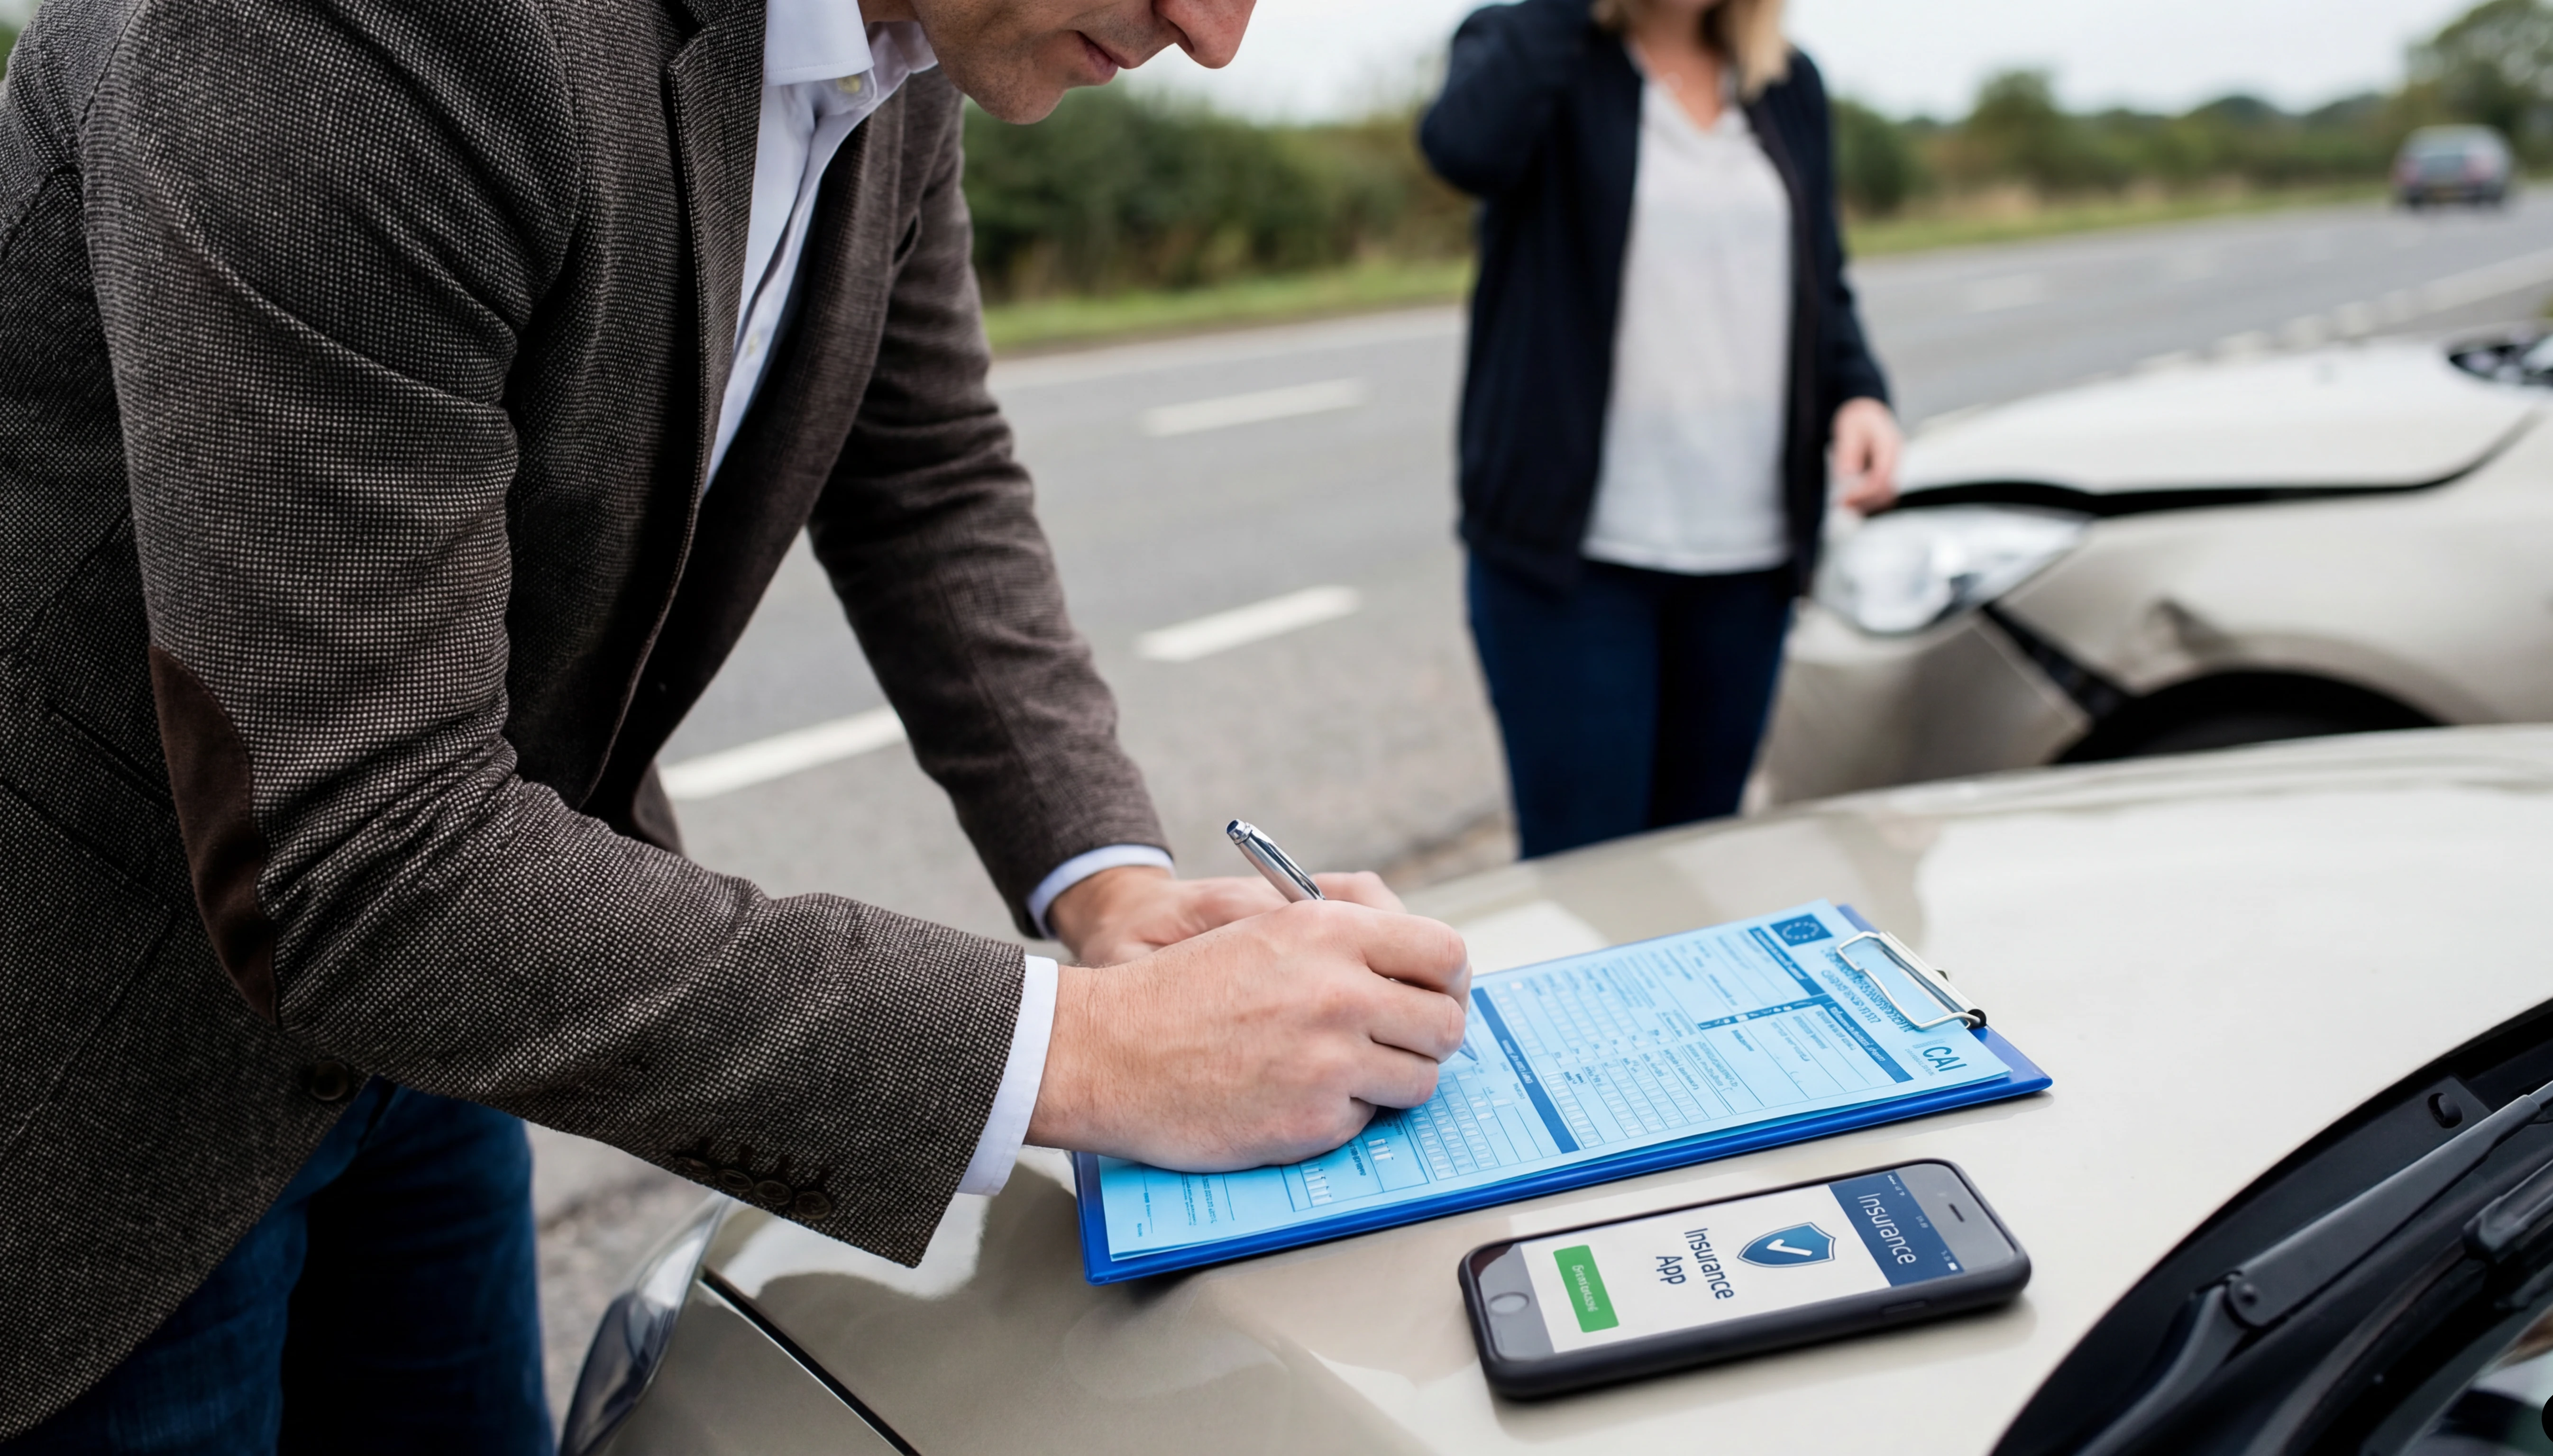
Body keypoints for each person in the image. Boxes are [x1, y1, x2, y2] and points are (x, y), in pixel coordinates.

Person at [0, 0, 1472, 1444]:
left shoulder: (912, 40)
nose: (1216, 38)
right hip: (98, 1039)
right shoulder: (364, 27)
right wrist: (1091, 1053)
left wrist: (1114, 888)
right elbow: (364, 855)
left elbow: (924, 475)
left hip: (446, 1001)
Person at [1420, 0, 1901, 859]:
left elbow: (1820, 276)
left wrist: (1859, 394)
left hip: (1748, 557)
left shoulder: (1786, 80)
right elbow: (1464, 147)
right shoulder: (1535, 45)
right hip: (1576, 559)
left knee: (1700, 858)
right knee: (1587, 866)